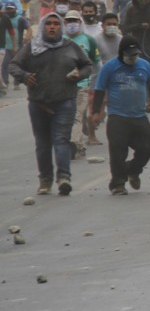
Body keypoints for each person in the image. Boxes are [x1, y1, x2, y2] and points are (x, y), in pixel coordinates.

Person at [10, 13, 94, 196]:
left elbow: (88, 66)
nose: (52, 27)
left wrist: (79, 75)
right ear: (43, 26)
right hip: (38, 103)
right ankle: (45, 180)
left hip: (65, 101)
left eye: (56, 24)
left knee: (61, 139)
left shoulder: (70, 47)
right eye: (48, 24)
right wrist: (24, 77)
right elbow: (13, 65)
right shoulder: (32, 47)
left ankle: (64, 177)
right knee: (42, 143)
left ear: (61, 27)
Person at [91, 37, 150, 195]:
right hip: (117, 117)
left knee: (148, 146)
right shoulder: (109, 67)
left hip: (139, 116)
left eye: (135, 55)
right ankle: (118, 183)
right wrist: (96, 112)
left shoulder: (144, 65)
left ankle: (132, 170)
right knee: (118, 150)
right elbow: (99, 89)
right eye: (129, 55)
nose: (132, 58)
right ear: (121, 53)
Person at [62, 10, 102, 158]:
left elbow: (97, 64)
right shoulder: (60, 40)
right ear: (64, 23)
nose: (72, 24)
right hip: (63, 87)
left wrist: (95, 83)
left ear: (80, 23)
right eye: (69, 21)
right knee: (68, 117)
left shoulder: (89, 40)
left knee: (76, 115)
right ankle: (79, 141)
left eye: (75, 21)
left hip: (82, 85)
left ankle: (75, 144)